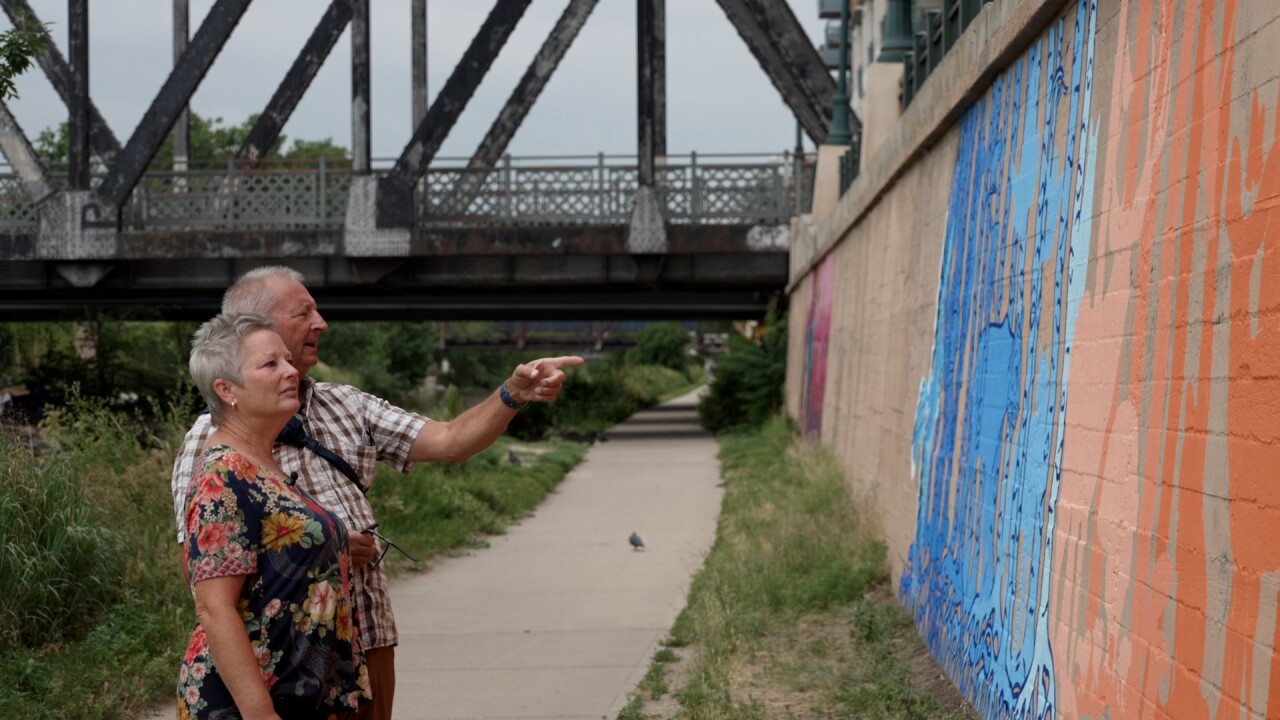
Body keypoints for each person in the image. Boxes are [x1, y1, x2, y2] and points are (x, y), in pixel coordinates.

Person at [171, 266, 582, 720]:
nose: (321, 323)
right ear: (257, 328)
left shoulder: (343, 405)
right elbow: (207, 583)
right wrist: (319, 549)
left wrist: (514, 393)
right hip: (278, 665)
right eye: (303, 312)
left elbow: (450, 440)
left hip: (357, 642)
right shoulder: (215, 451)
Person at [178, 312, 369, 719]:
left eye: (287, 360)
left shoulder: (265, 466)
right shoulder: (223, 474)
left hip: (301, 694)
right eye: (271, 364)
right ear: (227, 389)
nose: (291, 371)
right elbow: (214, 608)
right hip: (251, 703)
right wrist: (260, 713)